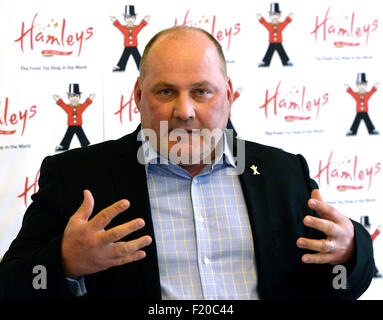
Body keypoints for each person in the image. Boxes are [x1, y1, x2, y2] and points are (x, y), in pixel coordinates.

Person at [0, 26, 374, 300]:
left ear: (228, 95)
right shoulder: (77, 176)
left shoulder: (284, 172)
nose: (185, 111)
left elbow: (335, 288)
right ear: (138, 96)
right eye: (166, 92)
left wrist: (348, 253)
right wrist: (63, 263)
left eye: (201, 91)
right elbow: (13, 285)